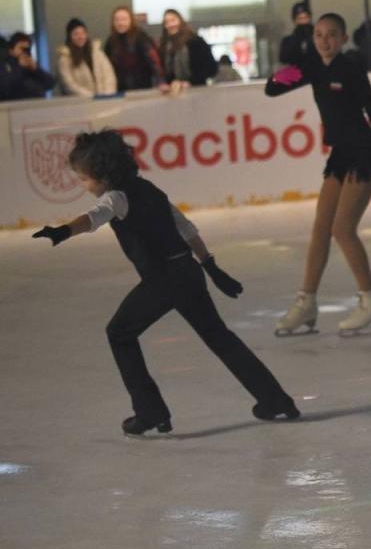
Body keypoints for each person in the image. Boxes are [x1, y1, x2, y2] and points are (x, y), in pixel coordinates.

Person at [31, 129, 299, 434]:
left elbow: (94, 217)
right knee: (219, 337)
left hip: (163, 280)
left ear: (102, 174)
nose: (83, 185)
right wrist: (209, 265)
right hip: (187, 271)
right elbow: (185, 229)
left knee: (119, 333)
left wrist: (62, 232)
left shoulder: (116, 198)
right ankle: (276, 400)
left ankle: (149, 412)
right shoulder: (150, 189)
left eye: (83, 178)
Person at [266, 12, 371, 336]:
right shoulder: (313, 67)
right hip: (341, 155)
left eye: (331, 34)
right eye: (318, 35)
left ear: (343, 38)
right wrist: (278, 78)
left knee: (343, 229)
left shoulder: (351, 68)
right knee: (321, 227)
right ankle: (306, 303)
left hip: (365, 152)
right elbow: (271, 91)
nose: (324, 41)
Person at [104, 6, 166, 93]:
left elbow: (154, 61)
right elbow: (106, 67)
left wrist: (161, 81)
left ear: (131, 21)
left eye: (124, 19)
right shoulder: (110, 41)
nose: (120, 23)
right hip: (120, 90)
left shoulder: (141, 37)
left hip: (142, 88)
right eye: (117, 20)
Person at [54, 19, 118, 98]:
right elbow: (69, 85)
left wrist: (107, 95)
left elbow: (109, 75)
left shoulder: (97, 53)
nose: (80, 36)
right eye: (76, 34)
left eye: (83, 33)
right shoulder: (65, 59)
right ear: (70, 37)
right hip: (81, 104)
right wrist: (92, 98)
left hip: (105, 100)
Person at [158, 8, 217, 89]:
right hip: (173, 92)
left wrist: (191, 82)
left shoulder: (196, 42)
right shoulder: (164, 46)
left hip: (197, 90)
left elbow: (212, 68)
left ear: (180, 21)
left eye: (173, 20)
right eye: (166, 22)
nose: (170, 25)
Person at [1, 32, 54, 100]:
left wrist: (37, 70)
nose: (25, 52)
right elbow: (5, 88)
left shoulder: (32, 66)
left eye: (27, 49)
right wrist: (21, 68)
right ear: (11, 51)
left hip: (37, 105)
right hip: (15, 107)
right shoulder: (5, 65)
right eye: (21, 48)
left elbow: (50, 84)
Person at [278, 2, 315, 68]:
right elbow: (284, 58)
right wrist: (297, 40)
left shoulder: (319, 38)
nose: (304, 21)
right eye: (300, 19)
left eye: (306, 18)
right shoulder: (288, 41)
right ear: (295, 21)